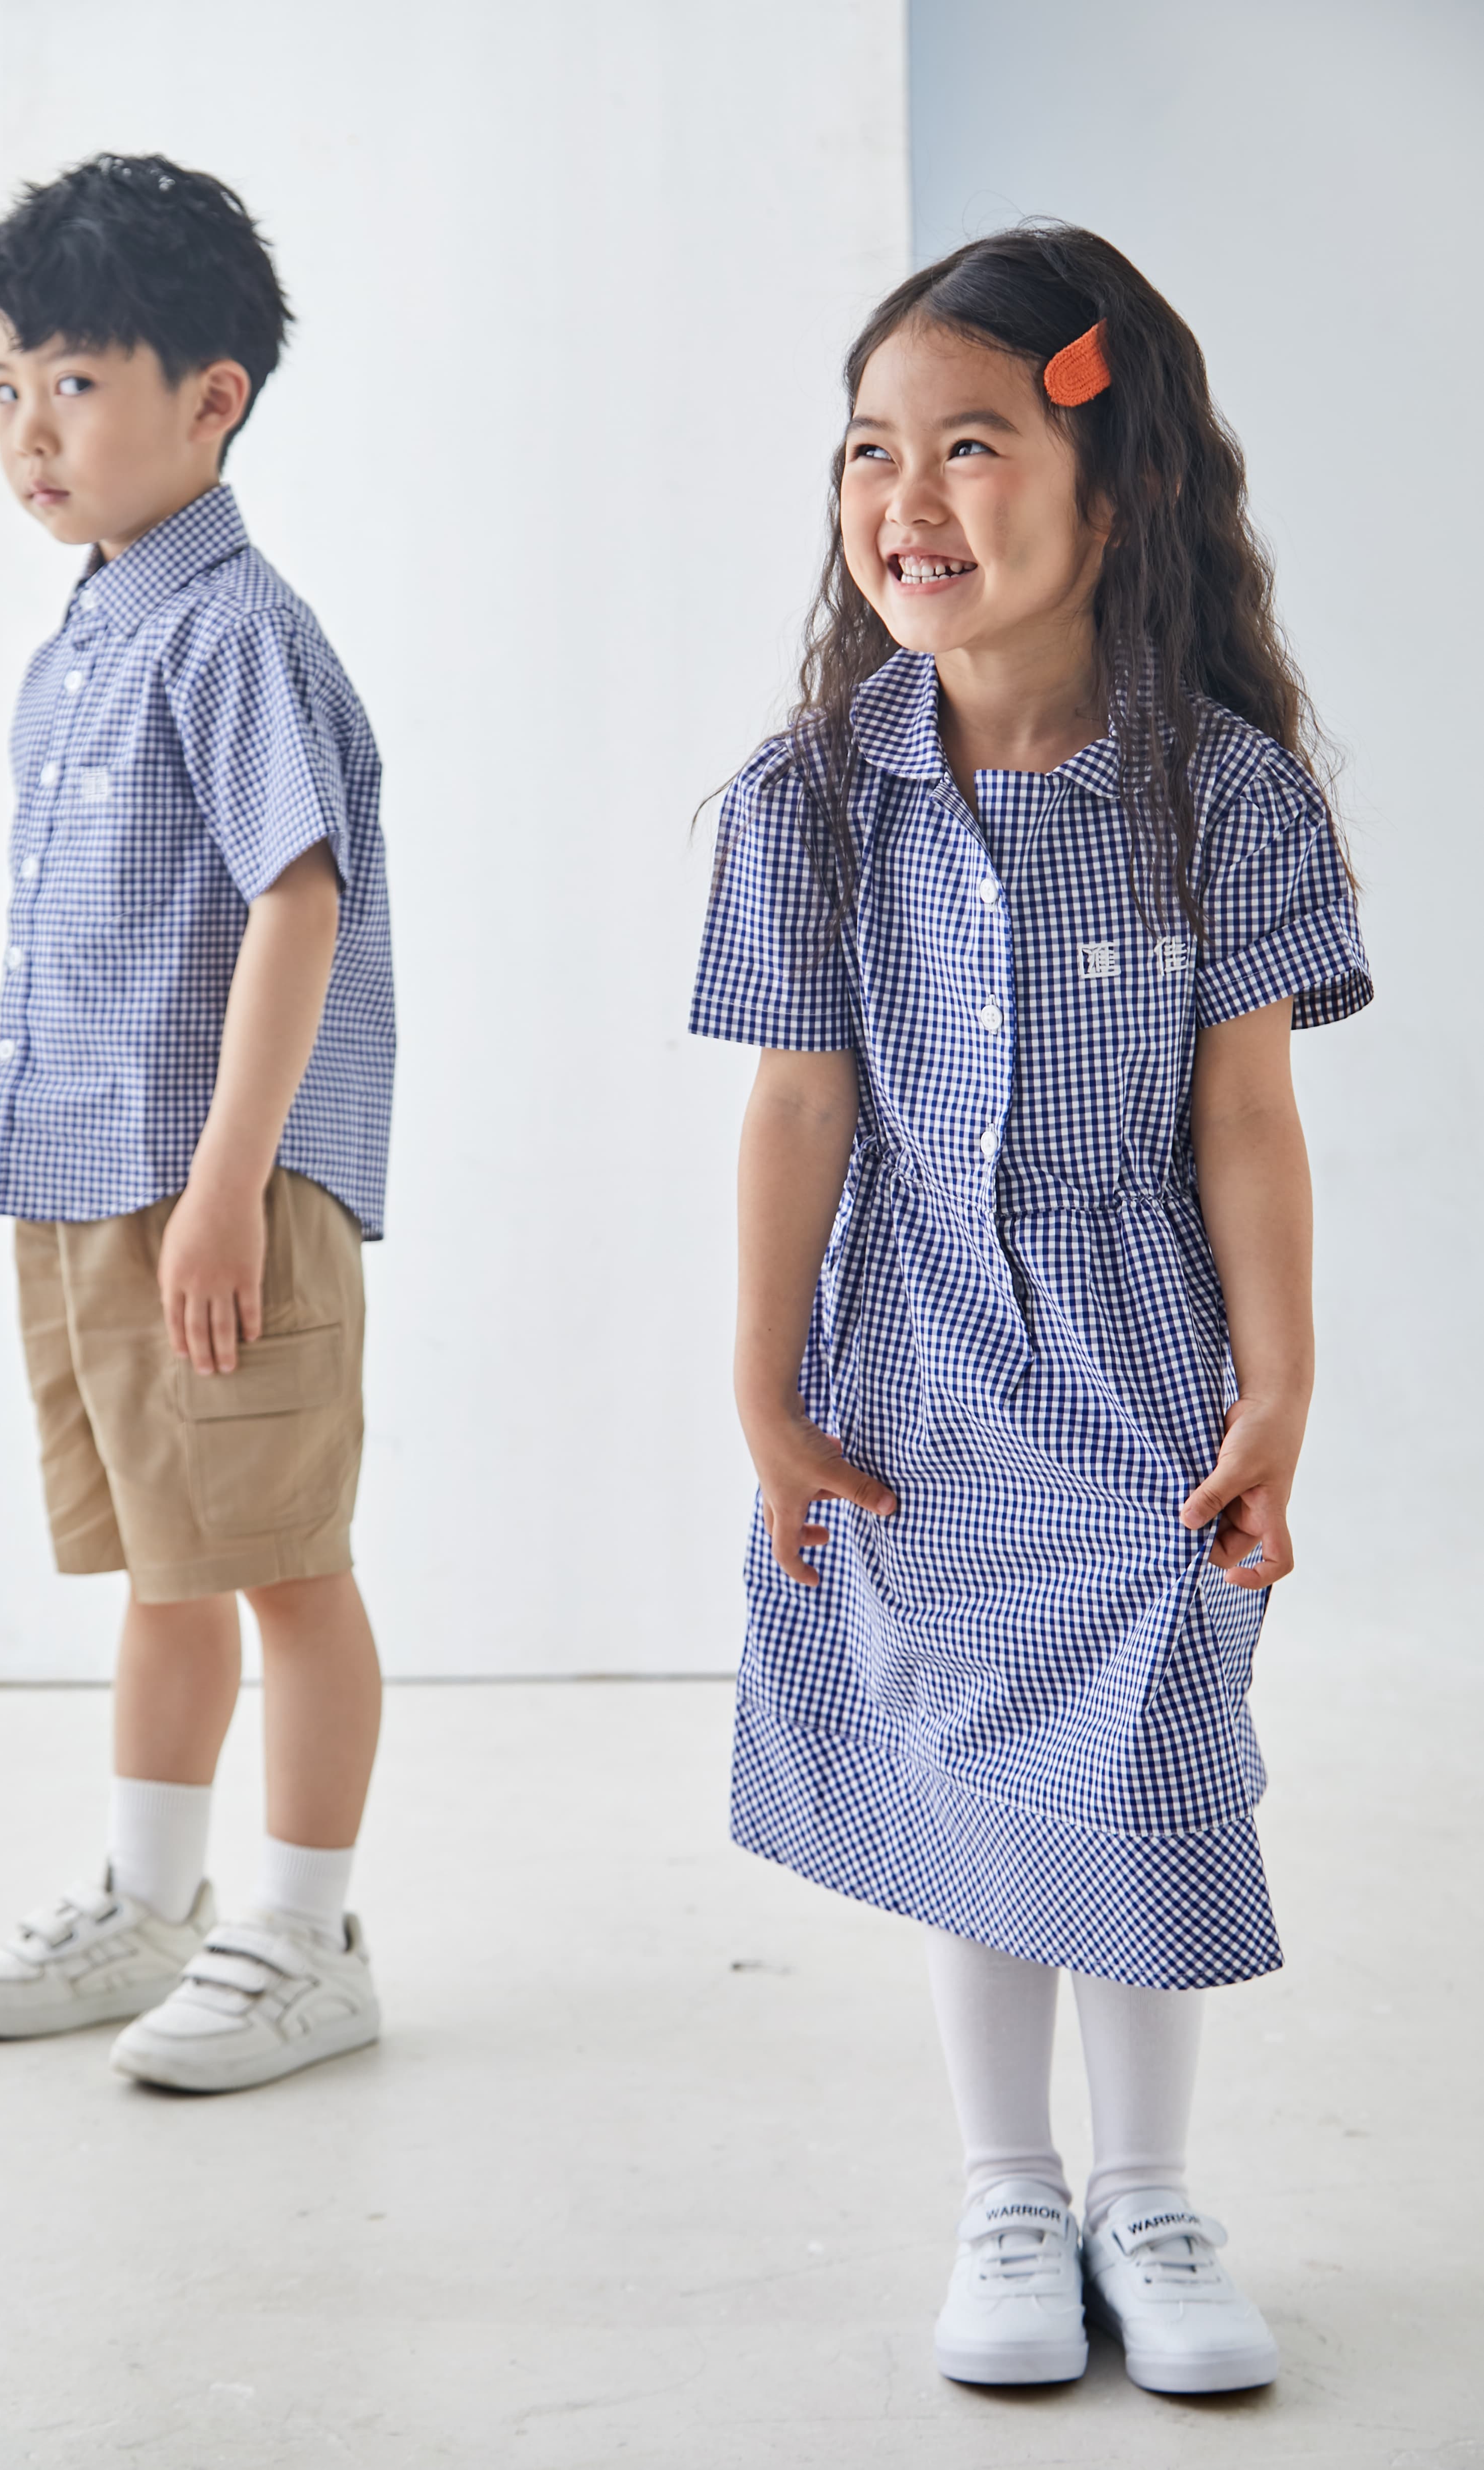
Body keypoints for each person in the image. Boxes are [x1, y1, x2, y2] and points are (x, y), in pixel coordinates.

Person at [690, 225, 1369, 2394]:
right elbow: (799, 1108)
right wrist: (760, 1390)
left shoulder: (1224, 794)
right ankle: (1005, 2186)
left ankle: (1144, 2193)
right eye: (867, 449)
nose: (904, 497)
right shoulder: (803, 803)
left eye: (968, 444)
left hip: (1134, 1368)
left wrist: (1277, 1382)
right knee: (974, 1770)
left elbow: (1243, 1123)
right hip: (907, 1365)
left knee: (1144, 1759)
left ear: (1113, 485)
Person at [0, 155, 395, 2095]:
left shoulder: (234, 632)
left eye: (78, 386)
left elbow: (303, 903)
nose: (34, 435)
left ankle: (306, 1932)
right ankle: (152, 1897)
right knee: (167, 1565)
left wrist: (224, 1195)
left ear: (215, 398)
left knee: (282, 1559)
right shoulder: (99, 622)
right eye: (5, 392)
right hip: (89, 1179)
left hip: (219, 1189)